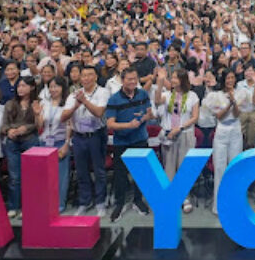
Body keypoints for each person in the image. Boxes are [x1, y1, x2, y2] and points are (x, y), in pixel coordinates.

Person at [61, 65, 110, 217]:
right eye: (84, 75)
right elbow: (63, 117)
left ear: (96, 77)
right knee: (81, 171)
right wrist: (76, 105)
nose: (86, 78)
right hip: (78, 136)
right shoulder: (73, 95)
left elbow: (99, 112)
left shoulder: (103, 92)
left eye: (90, 75)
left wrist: (84, 101)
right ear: (80, 78)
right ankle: (85, 201)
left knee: (99, 171)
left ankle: (100, 202)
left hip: (96, 135)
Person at [106, 68, 152, 221]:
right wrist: (128, 125)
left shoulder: (143, 94)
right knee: (120, 175)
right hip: (122, 142)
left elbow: (149, 113)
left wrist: (142, 117)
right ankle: (120, 203)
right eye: (129, 79)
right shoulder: (114, 99)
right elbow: (110, 124)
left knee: (141, 173)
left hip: (140, 139)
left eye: (135, 79)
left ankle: (138, 200)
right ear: (122, 80)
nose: (132, 82)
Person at [204, 68, 244, 214]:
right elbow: (219, 116)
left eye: (232, 78)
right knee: (220, 168)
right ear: (224, 80)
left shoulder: (240, 93)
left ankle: (235, 203)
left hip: (235, 130)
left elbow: (237, 113)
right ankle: (218, 205)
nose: (230, 81)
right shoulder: (216, 95)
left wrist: (234, 102)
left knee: (235, 166)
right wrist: (229, 104)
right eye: (228, 78)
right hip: (221, 131)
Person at [158, 69, 199, 214]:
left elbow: (195, 117)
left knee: (183, 167)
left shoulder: (192, 96)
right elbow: (157, 101)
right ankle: (171, 197)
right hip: (169, 135)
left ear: (182, 80)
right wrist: (160, 81)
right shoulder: (167, 95)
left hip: (185, 134)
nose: (173, 80)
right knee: (169, 167)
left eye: (175, 78)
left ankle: (185, 198)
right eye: (172, 77)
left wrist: (180, 127)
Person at [2, 76, 41, 218]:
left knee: (30, 176)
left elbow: (38, 124)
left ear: (32, 87)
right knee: (14, 176)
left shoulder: (37, 102)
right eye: (19, 86)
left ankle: (28, 206)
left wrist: (26, 128)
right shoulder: (10, 103)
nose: (20, 89)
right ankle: (14, 206)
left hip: (30, 140)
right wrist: (9, 131)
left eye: (24, 86)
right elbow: (4, 124)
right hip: (13, 141)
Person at [39, 76, 72, 213]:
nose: (53, 89)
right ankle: (45, 203)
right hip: (44, 142)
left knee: (60, 177)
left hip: (60, 142)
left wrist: (67, 144)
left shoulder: (68, 104)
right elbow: (39, 126)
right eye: (51, 87)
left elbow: (70, 125)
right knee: (44, 176)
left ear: (62, 88)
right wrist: (36, 115)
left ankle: (59, 204)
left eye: (56, 86)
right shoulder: (44, 103)